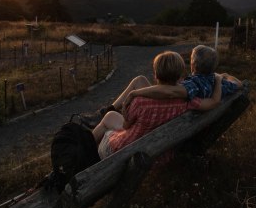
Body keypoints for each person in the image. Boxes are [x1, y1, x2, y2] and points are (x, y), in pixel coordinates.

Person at [92, 50, 223, 159]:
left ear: (155, 74)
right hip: (157, 150)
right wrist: (218, 80)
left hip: (125, 152)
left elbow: (126, 126)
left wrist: (126, 111)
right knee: (138, 82)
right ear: (180, 76)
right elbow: (214, 101)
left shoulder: (140, 102)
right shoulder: (189, 101)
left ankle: (86, 150)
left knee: (109, 117)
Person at [122, 44, 242, 108]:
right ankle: (111, 107)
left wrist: (135, 93)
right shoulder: (218, 84)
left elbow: (169, 91)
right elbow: (238, 83)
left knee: (139, 80)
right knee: (140, 80)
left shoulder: (192, 85)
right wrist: (224, 76)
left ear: (193, 64)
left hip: (163, 109)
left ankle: (112, 108)